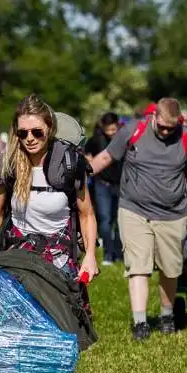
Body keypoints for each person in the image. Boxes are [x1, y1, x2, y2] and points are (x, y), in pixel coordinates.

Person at [0, 94, 98, 373]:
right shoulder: (9, 164)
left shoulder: (69, 164)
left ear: (50, 130)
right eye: (23, 132)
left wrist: (90, 256)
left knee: (58, 331)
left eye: (36, 132)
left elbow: (86, 215)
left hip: (58, 253)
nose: (29, 139)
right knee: (20, 333)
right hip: (18, 252)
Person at [89, 98, 187, 340]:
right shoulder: (132, 131)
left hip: (173, 213)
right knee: (138, 266)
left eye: (172, 128)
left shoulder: (186, 137)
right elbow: (106, 157)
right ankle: (140, 323)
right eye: (163, 127)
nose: (167, 132)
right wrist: (77, 178)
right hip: (134, 209)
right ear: (154, 117)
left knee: (170, 268)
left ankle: (167, 315)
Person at [84, 112, 123, 266]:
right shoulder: (96, 140)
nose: (111, 133)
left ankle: (119, 253)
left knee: (120, 221)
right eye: (108, 130)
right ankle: (108, 253)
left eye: (113, 130)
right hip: (102, 184)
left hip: (120, 185)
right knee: (105, 220)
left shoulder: (122, 140)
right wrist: (92, 162)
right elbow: (85, 153)